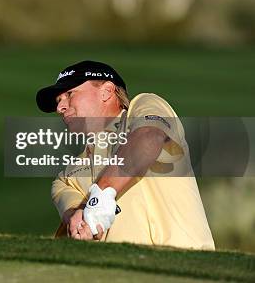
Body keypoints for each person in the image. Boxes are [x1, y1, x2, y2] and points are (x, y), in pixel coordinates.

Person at [36, 60, 215, 250]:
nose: (60, 107)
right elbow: (75, 218)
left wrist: (101, 196)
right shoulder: (66, 178)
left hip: (183, 267)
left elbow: (149, 138)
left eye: (69, 94)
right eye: (58, 101)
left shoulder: (144, 107)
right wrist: (80, 221)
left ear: (106, 91)